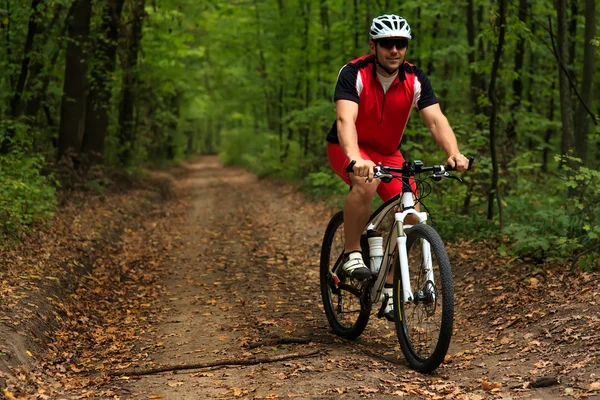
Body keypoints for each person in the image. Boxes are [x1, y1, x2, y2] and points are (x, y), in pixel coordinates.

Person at [326, 14, 469, 319]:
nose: (394, 50)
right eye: (387, 44)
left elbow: (435, 120)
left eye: (400, 44)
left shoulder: (415, 79)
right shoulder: (354, 73)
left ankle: (390, 288)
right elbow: (345, 120)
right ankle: (353, 252)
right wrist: (355, 158)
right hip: (347, 146)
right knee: (366, 183)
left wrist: (454, 153)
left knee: (413, 214)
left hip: (388, 152)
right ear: (373, 45)